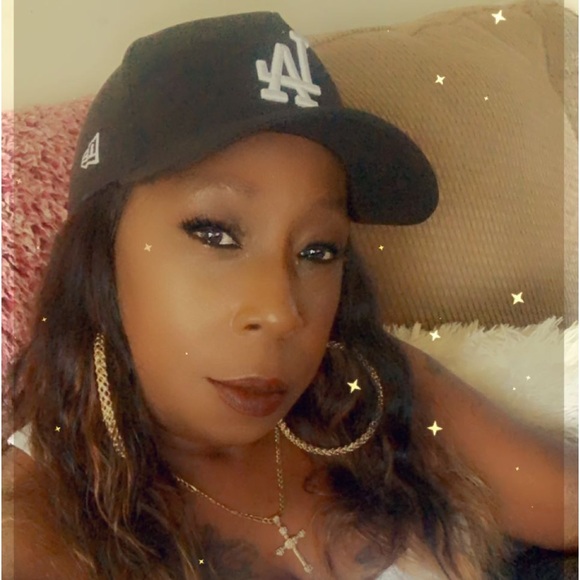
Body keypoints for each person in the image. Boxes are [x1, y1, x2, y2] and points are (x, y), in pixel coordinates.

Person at [3, 11, 576, 580]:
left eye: (319, 250)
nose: (281, 312)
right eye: (215, 233)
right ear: (100, 253)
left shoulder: (369, 387)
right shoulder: (32, 527)